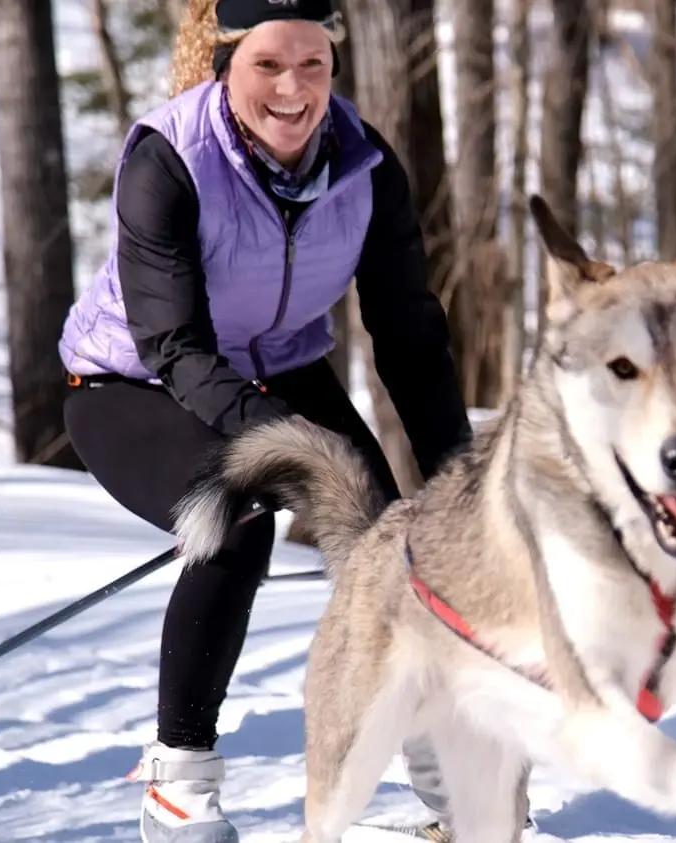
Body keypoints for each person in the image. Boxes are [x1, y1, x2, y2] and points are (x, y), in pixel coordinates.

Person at [57, 1, 474, 840]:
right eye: (268, 67)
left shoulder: (365, 164)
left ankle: (452, 779)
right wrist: (292, 449)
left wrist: (459, 482)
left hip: (278, 366)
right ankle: (179, 782)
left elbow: (410, 338)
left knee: (398, 540)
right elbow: (173, 342)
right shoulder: (169, 159)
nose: (294, 90)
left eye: (313, 65)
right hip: (131, 382)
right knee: (242, 521)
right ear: (224, 65)